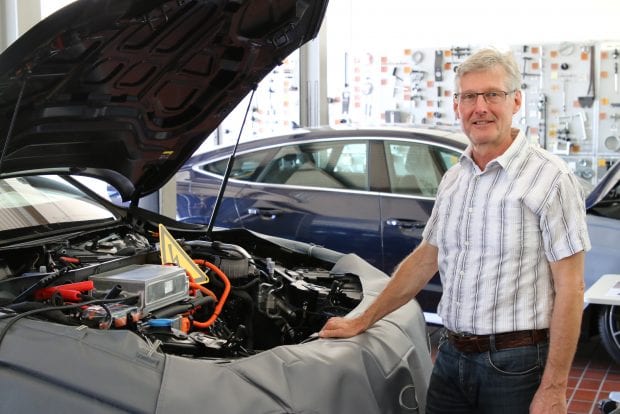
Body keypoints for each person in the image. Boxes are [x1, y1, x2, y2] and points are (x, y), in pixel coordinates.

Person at [319, 48, 591, 414]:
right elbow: (425, 259)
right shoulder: (454, 177)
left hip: (517, 367)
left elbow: (570, 288)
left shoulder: (551, 179)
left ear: (516, 101)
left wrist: (554, 387)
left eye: (492, 94)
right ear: (457, 106)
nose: (480, 106)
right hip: (451, 357)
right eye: (469, 96)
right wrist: (363, 319)